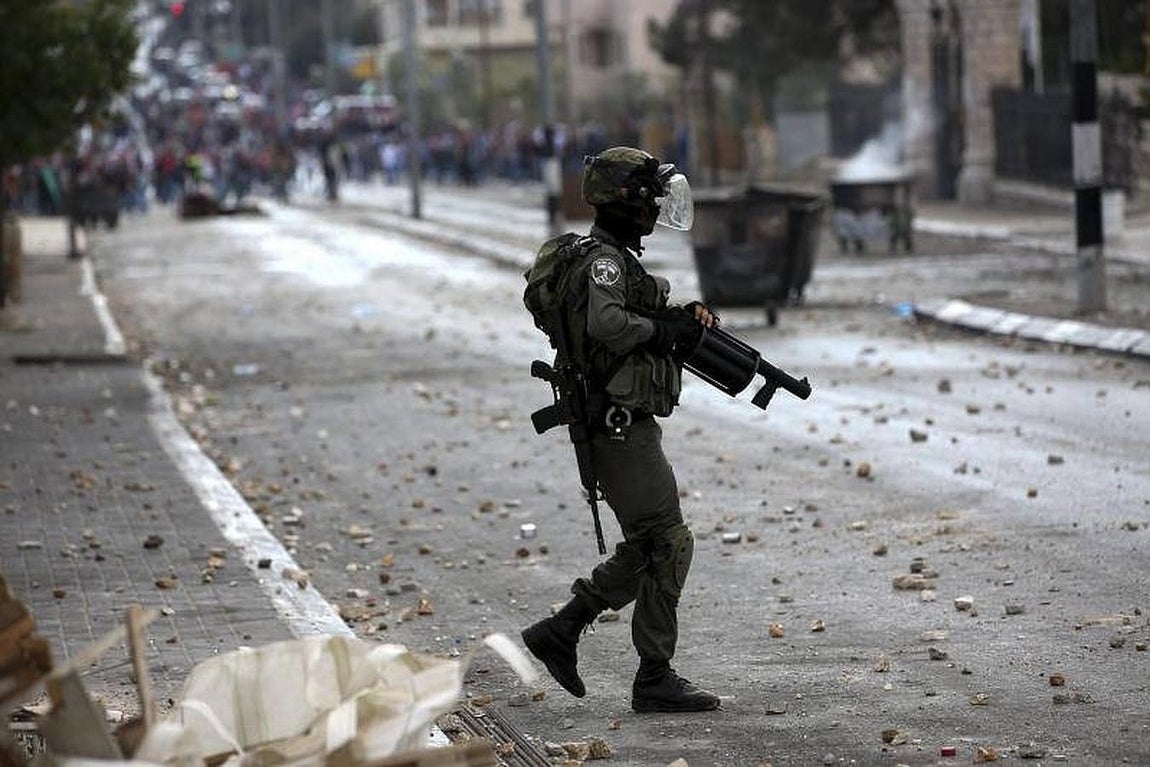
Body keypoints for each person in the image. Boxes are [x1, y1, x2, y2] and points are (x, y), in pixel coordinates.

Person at [521, 146, 721, 713]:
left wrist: (681, 319)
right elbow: (607, 322)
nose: (657, 207)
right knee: (668, 541)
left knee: (650, 543)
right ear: (628, 203)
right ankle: (653, 676)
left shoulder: (613, 258)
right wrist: (660, 334)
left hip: (619, 423)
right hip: (615, 425)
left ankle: (562, 630)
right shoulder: (604, 261)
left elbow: (632, 314)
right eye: (651, 197)